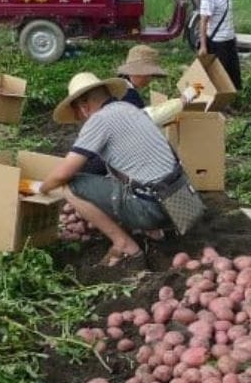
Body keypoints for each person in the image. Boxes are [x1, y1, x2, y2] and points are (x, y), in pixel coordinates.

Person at [36, 73, 197, 267]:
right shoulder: (130, 109)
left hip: (154, 210)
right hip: (184, 204)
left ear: (84, 106)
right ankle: (155, 232)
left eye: (78, 114)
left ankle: (125, 246)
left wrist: (41, 189)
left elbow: (62, 174)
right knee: (118, 172)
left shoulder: (100, 121)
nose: (80, 119)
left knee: (69, 186)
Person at [198, 0, 241, 91]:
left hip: (229, 40)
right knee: (220, 76)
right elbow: (203, 21)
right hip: (218, 43)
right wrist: (203, 46)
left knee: (232, 73)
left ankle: (228, 102)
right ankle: (220, 105)